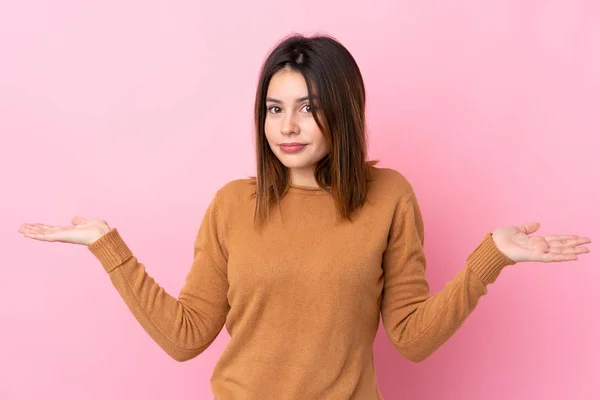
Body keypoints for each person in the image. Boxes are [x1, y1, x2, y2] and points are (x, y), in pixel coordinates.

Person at [18, 33, 591, 400]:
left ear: (343, 111)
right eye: (274, 108)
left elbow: (412, 338)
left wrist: (490, 258)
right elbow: (185, 337)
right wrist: (108, 246)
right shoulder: (231, 205)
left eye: (308, 108)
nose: (286, 127)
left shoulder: (388, 196)